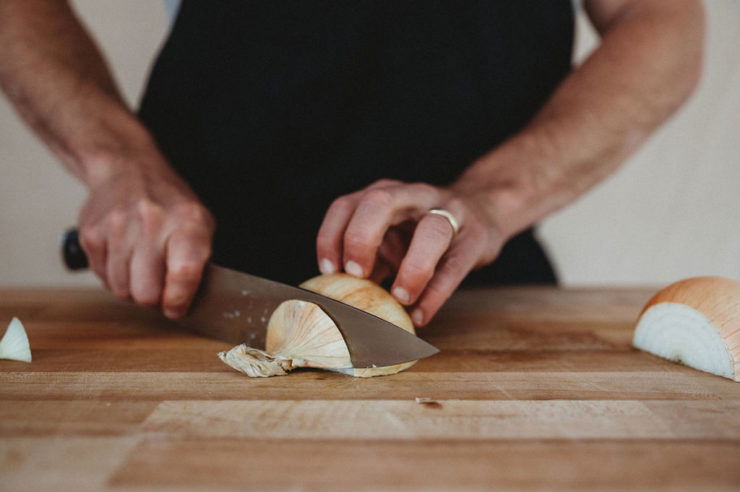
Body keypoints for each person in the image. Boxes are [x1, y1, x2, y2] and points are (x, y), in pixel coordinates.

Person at [0, 1, 703, 327]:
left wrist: (490, 198)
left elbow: (663, 20)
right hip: (194, 283)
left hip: (477, 297)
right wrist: (118, 163)